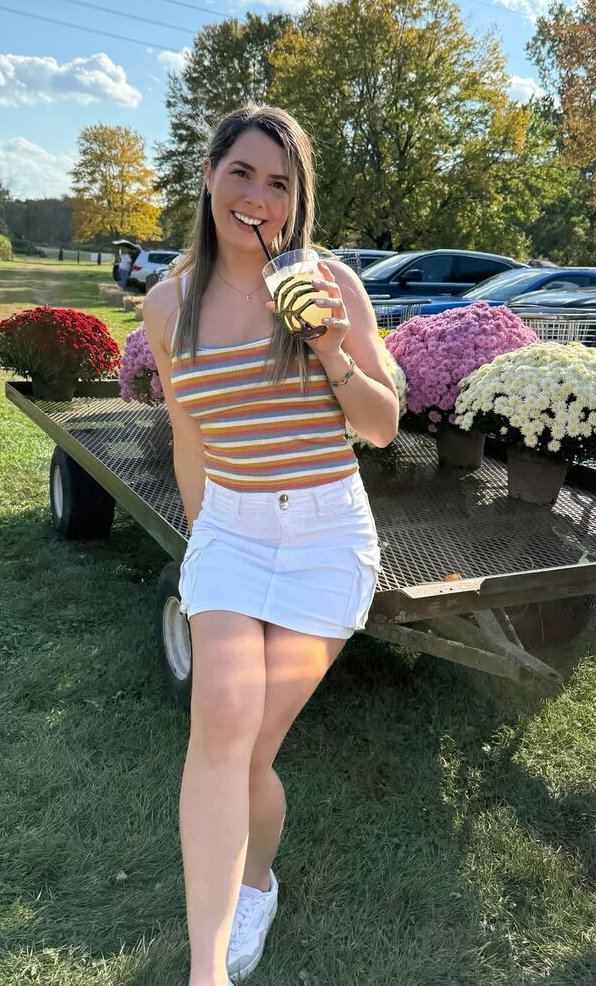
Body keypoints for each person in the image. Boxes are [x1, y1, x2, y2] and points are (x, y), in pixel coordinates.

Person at [144, 105, 399, 986]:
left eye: (278, 184)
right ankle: (205, 971)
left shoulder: (328, 284)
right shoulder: (167, 305)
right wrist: (203, 545)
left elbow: (381, 426)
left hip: (325, 536)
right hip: (230, 530)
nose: (257, 197)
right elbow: (189, 440)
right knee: (218, 720)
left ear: (296, 201)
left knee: (252, 752)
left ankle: (254, 880)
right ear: (208, 176)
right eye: (242, 173)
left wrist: (329, 348)